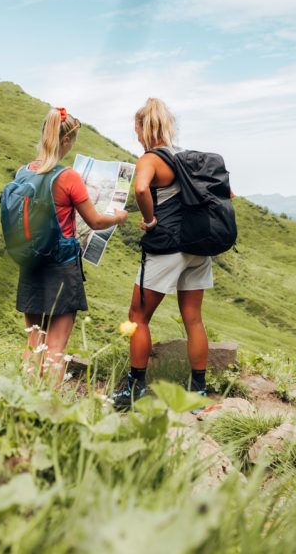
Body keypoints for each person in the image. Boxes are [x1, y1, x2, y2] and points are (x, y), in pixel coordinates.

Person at [112, 98, 214, 410]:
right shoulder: (189, 157)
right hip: (199, 247)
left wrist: (150, 220)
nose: (137, 136)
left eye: (137, 130)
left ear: (143, 128)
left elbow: (141, 190)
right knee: (194, 319)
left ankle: (136, 388)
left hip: (168, 247)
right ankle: (198, 391)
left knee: (137, 316)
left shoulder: (150, 159)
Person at [18, 107, 128, 384]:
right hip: (62, 268)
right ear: (67, 141)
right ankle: (49, 414)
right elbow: (95, 221)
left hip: (31, 264)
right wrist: (118, 216)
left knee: (34, 343)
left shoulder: (22, 173)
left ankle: (23, 409)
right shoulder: (68, 177)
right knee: (56, 348)